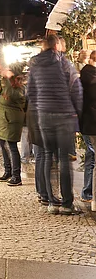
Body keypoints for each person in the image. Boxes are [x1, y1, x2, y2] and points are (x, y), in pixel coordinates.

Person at [26, 33, 83, 215]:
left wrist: (42, 107)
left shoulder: (35, 65)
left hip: (44, 116)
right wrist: (77, 112)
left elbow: (31, 93)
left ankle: (51, 202)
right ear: (56, 45)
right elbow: (76, 88)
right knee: (64, 159)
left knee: (47, 156)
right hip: (63, 115)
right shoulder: (63, 63)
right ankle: (67, 204)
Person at [0, 58, 26, 187]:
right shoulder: (7, 84)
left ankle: (17, 176)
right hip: (3, 120)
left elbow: (11, 95)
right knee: (3, 146)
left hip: (11, 121)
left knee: (12, 147)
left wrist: (6, 76)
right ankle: (8, 171)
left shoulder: (18, 88)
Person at [80, 50, 96, 208]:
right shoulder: (92, 78)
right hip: (92, 124)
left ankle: (87, 192)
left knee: (90, 158)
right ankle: (88, 193)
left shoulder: (84, 76)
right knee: (92, 158)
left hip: (87, 124)